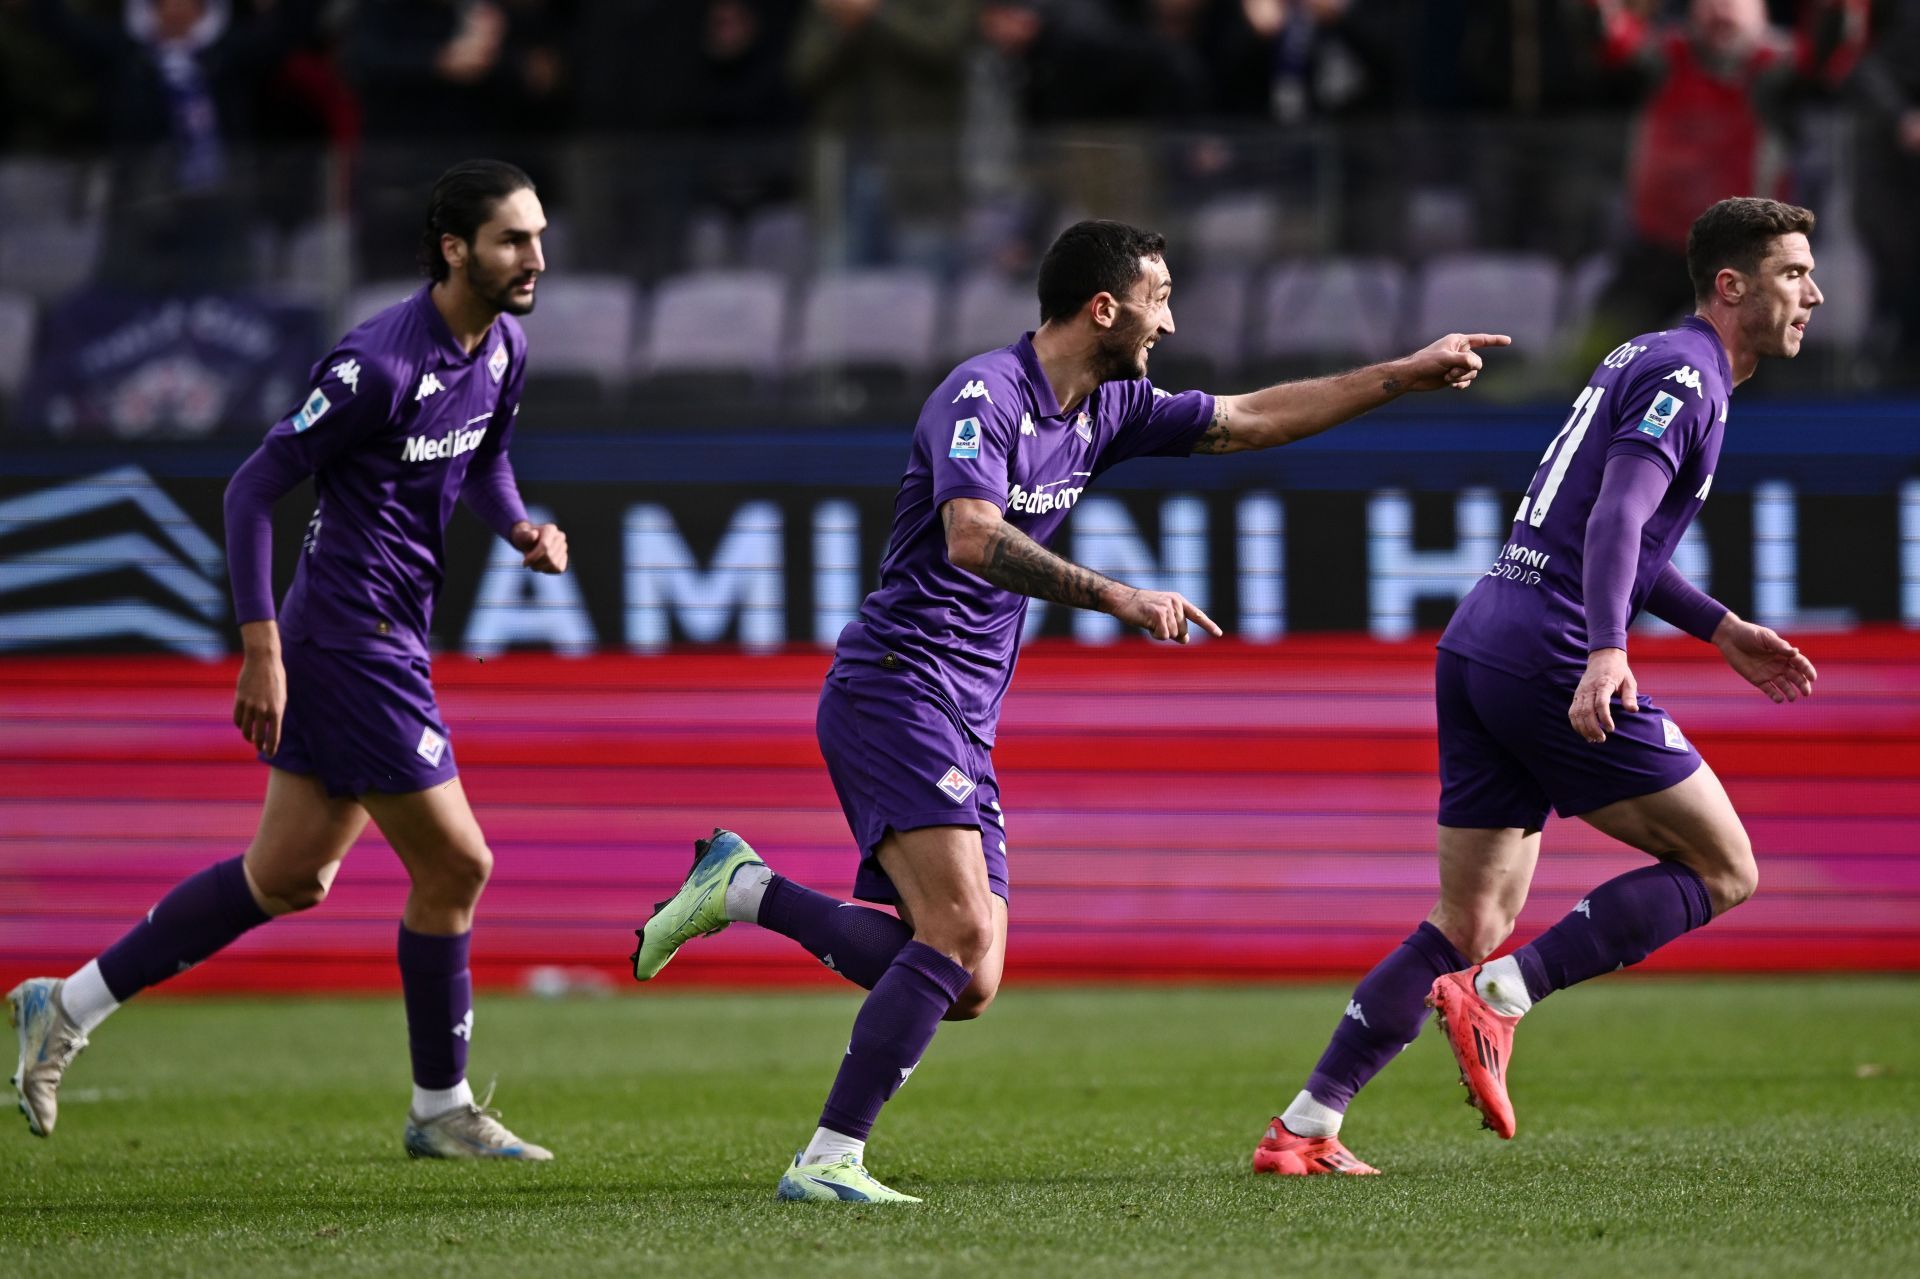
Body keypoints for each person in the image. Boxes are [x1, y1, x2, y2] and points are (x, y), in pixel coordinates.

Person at [629, 219, 1507, 1203]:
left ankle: (745, 888)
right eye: (1159, 297)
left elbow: (1253, 416)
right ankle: (828, 1159)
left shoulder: (1107, 407)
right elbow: (970, 536)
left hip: (958, 709)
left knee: (965, 977)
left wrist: (1405, 373)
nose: (1169, 320)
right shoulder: (984, 396)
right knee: (959, 934)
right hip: (895, 682)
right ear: (1104, 307)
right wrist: (1117, 596)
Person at [8, 159, 568, 1161]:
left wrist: (519, 526)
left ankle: (65, 1004)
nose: (535, 257)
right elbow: (249, 490)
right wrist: (259, 648)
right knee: (458, 861)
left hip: (388, 633)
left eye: (535, 236)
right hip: (347, 641)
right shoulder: (375, 367)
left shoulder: (503, 348)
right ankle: (441, 1106)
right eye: (512, 240)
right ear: (454, 250)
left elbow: (484, 456)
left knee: (289, 876)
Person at [1255, 196, 1822, 1177]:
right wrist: (1609, 650)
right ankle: (1504, 995)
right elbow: (1614, 520)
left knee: (1465, 921)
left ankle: (1303, 1125)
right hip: (1552, 646)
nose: (1813, 292)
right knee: (1726, 869)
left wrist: (1719, 627)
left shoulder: (1651, 357)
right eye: (1791, 273)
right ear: (1731, 286)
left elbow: (1624, 533)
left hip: (1484, 636)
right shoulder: (1689, 377)